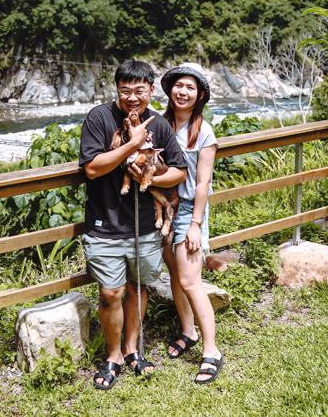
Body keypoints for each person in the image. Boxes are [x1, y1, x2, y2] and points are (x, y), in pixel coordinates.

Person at [79, 60, 188, 390]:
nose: (132, 97)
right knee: (110, 292)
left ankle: (131, 350)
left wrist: (148, 177)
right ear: (117, 90)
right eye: (125, 90)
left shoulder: (160, 124)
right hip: (106, 223)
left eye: (140, 90)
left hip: (145, 227)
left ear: (151, 91)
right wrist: (132, 143)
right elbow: (92, 168)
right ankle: (112, 355)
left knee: (137, 288)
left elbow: (180, 171)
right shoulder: (99, 118)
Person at [160, 63, 224, 384]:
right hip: (163, 208)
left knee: (190, 281)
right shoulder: (160, 124)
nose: (182, 92)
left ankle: (212, 350)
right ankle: (189, 331)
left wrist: (196, 224)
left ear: (199, 95)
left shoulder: (204, 132)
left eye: (190, 87)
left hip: (188, 211)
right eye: (178, 85)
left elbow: (203, 183)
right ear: (170, 89)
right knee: (175, 273)